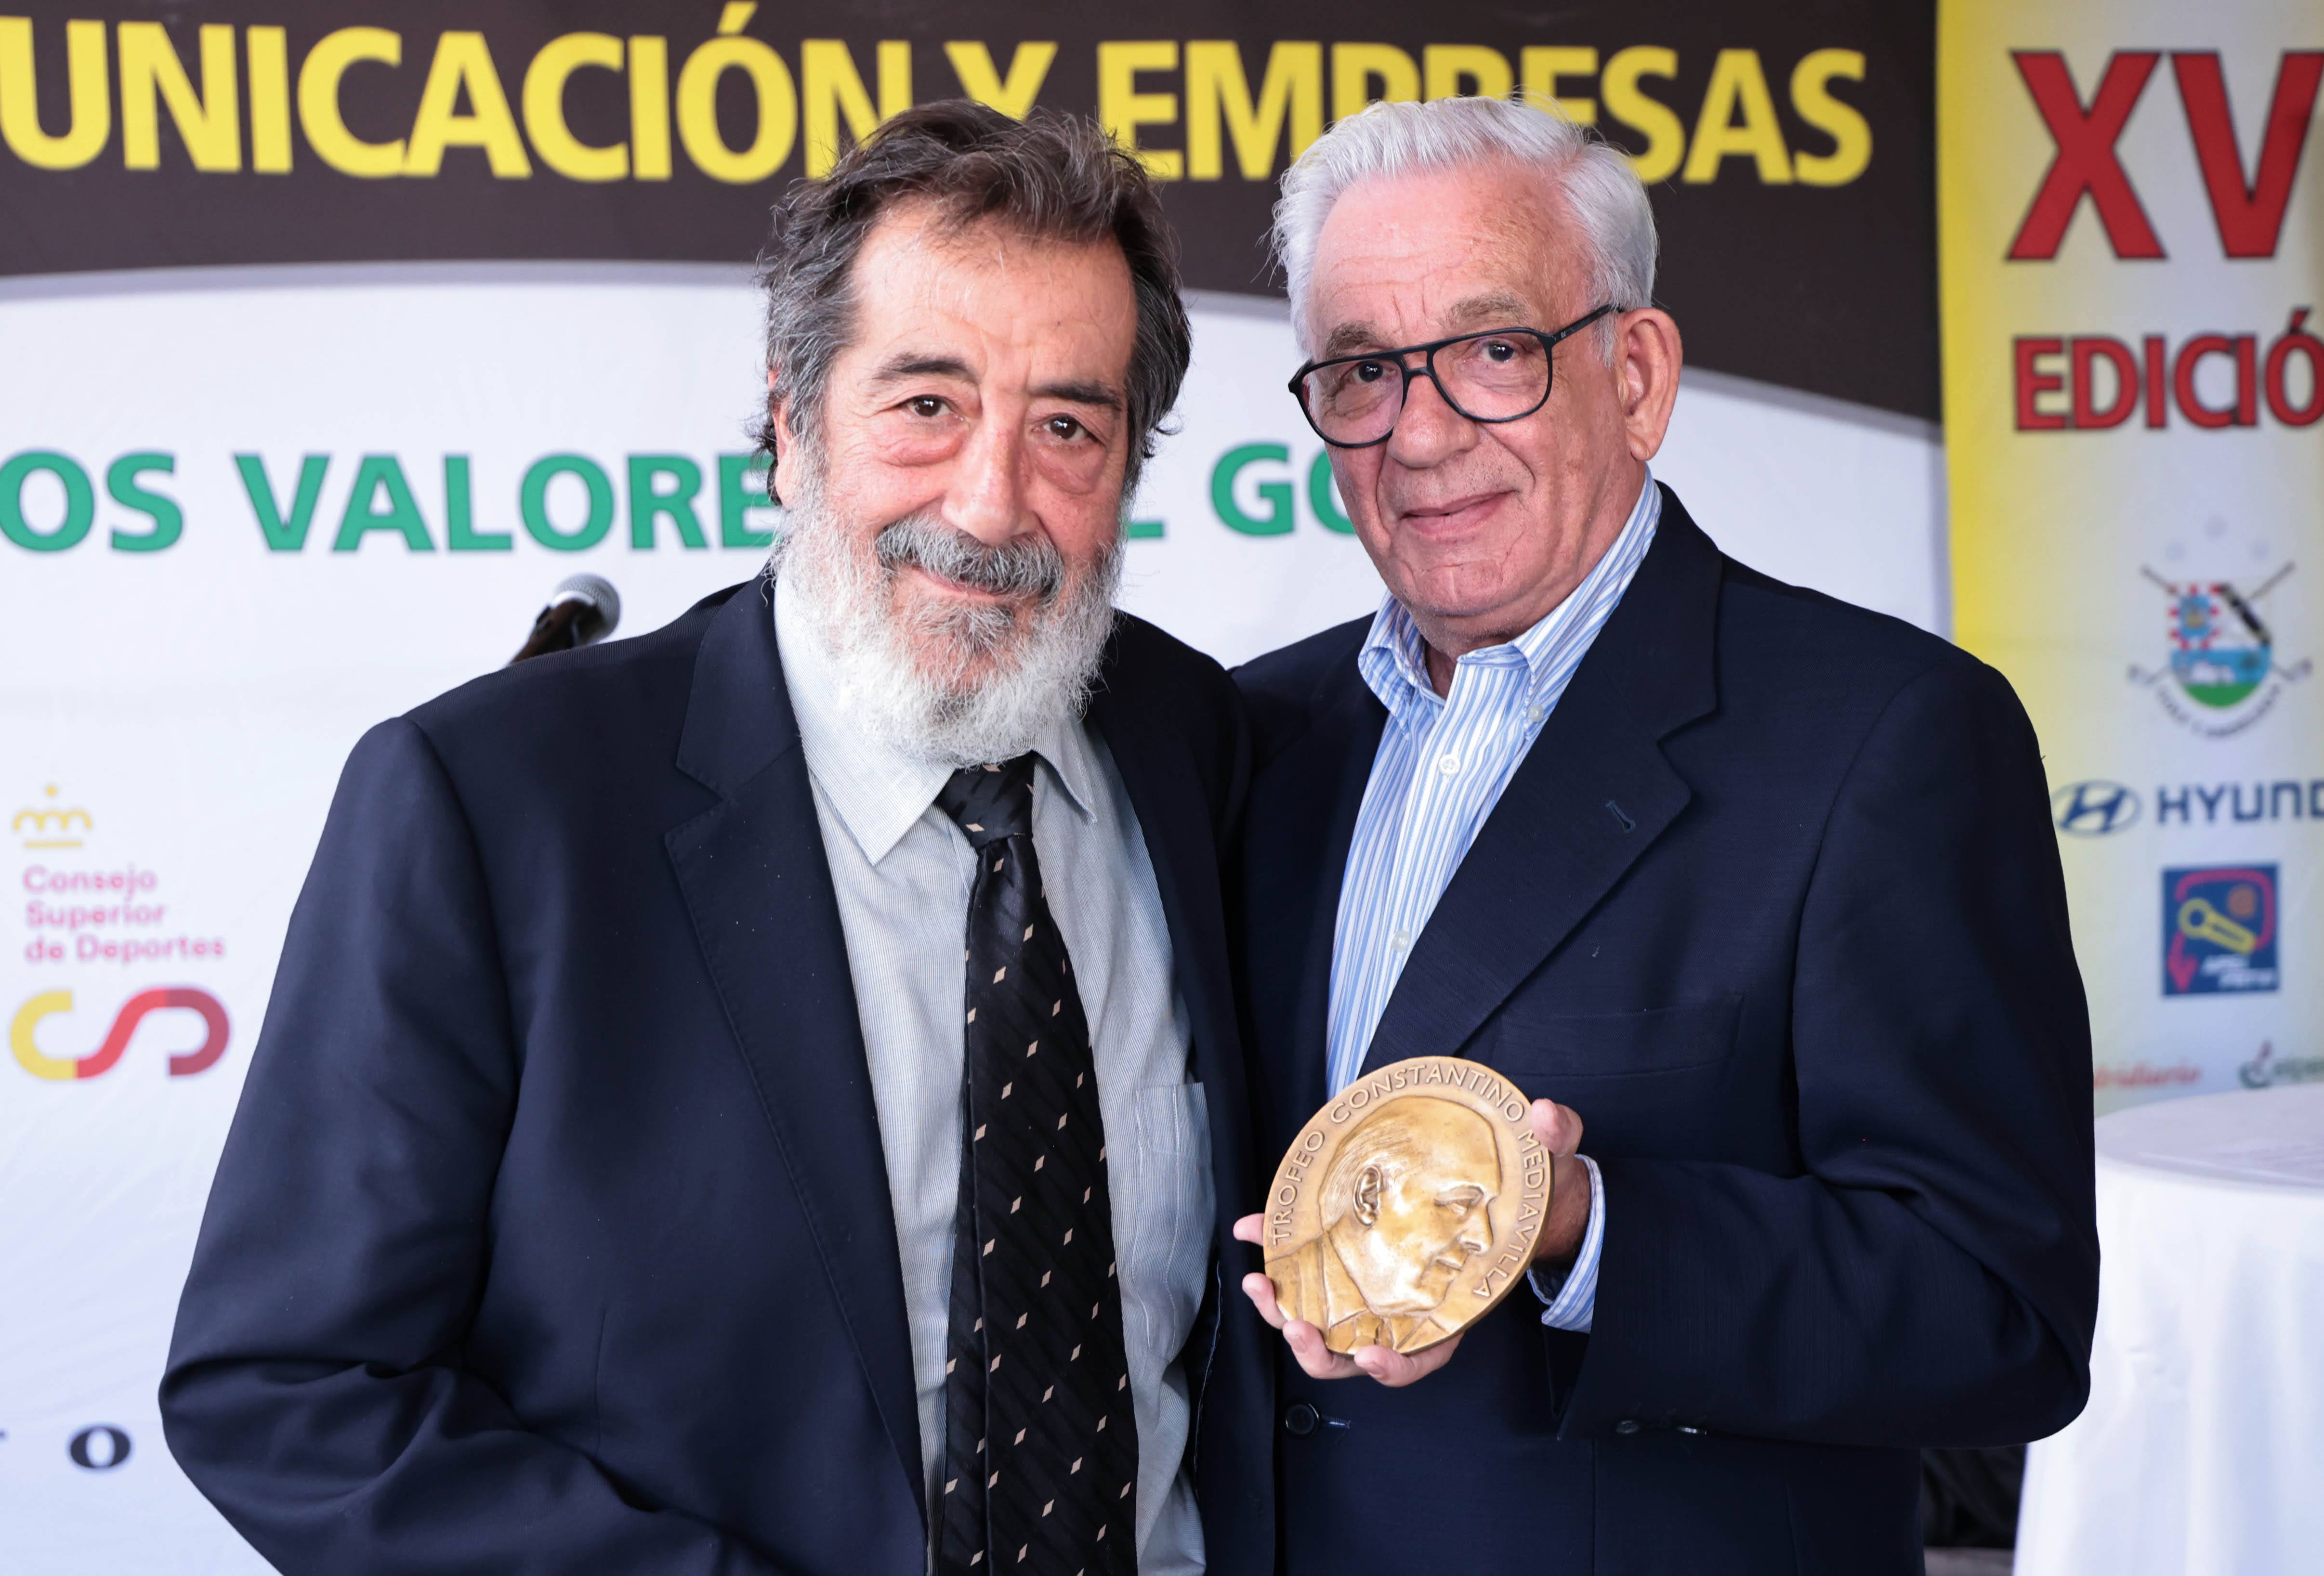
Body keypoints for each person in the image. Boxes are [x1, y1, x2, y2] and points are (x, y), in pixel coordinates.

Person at [162, 104, 1272, 1576]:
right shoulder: (492, 802)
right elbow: (291, 1386)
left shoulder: (1206, 747)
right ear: (791, 424)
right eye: (925, 404)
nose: (991, 500)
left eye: (1067, 425)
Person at [1231, 96, 2098, 1572]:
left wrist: (1583, 1223)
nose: (1419, 434)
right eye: (1365, 370)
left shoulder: (1886, 735)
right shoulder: (1252, 733)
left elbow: (1997, 1311)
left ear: (1635, 375)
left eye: (1494, 352)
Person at [1262, 1098, 1498, 1354]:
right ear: (1369, 1197)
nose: (1484, 1240)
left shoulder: (1433, 1325)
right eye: (1460, 1204)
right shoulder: (1288, 1284)